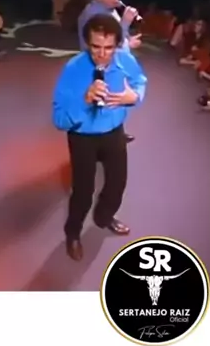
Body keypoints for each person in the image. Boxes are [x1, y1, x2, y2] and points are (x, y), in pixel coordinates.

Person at [52, 13, 147, 261]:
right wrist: (84, 100)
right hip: (82, 137)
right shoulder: (73, 69)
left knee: (117, 185)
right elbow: (59, 119)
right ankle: (73, 233)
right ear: (87, 44)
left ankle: (104, 218)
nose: (102, 54)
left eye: (109, 48)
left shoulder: (125, 60)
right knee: (82, 193)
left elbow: (139, 81)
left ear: (117, 45)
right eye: (96, 47)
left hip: (114, 133)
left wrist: (135, 96)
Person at [77, 0, 141, 142]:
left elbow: (116, 38)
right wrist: (126, 23)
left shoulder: (108, 10)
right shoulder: (94, 15)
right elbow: (108, 41)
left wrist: (127, 41)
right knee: (103, 100)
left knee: (114, 97)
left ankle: (114, 131)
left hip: (110, 61)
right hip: (97, 63)